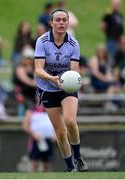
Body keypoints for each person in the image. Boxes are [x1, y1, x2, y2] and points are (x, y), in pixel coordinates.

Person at [34, 9, 88, 172]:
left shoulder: (73, 43)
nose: (61, 23)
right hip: (47, 87)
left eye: (64, 20)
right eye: (58, 20)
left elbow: (73, 71)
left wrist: (67, 81)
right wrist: (52, 79)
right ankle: (70, 168)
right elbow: (38, 69)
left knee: (70, 121)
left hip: (66, 87)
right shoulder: (42, 41)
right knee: (60, 131)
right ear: (51, 23)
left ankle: (78, 158)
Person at [22, 104, 56, 172]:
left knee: (47, 164)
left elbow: (58, 123)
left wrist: (55, 135)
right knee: (35, 164)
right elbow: (25, 126)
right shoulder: (31, 110)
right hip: (36, 140)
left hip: (49, 140)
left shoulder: (52, 110)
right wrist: (33, 134)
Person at [101, 0, 124, 67]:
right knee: (110, 55)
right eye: (116, 4)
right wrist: (109, 33)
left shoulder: (120, 14)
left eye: (118, 4)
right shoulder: (109, 13)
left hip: (118, 40)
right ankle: (109, 69)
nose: (117, 6)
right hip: (111, 39)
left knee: (117, 56)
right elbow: (103, 25)